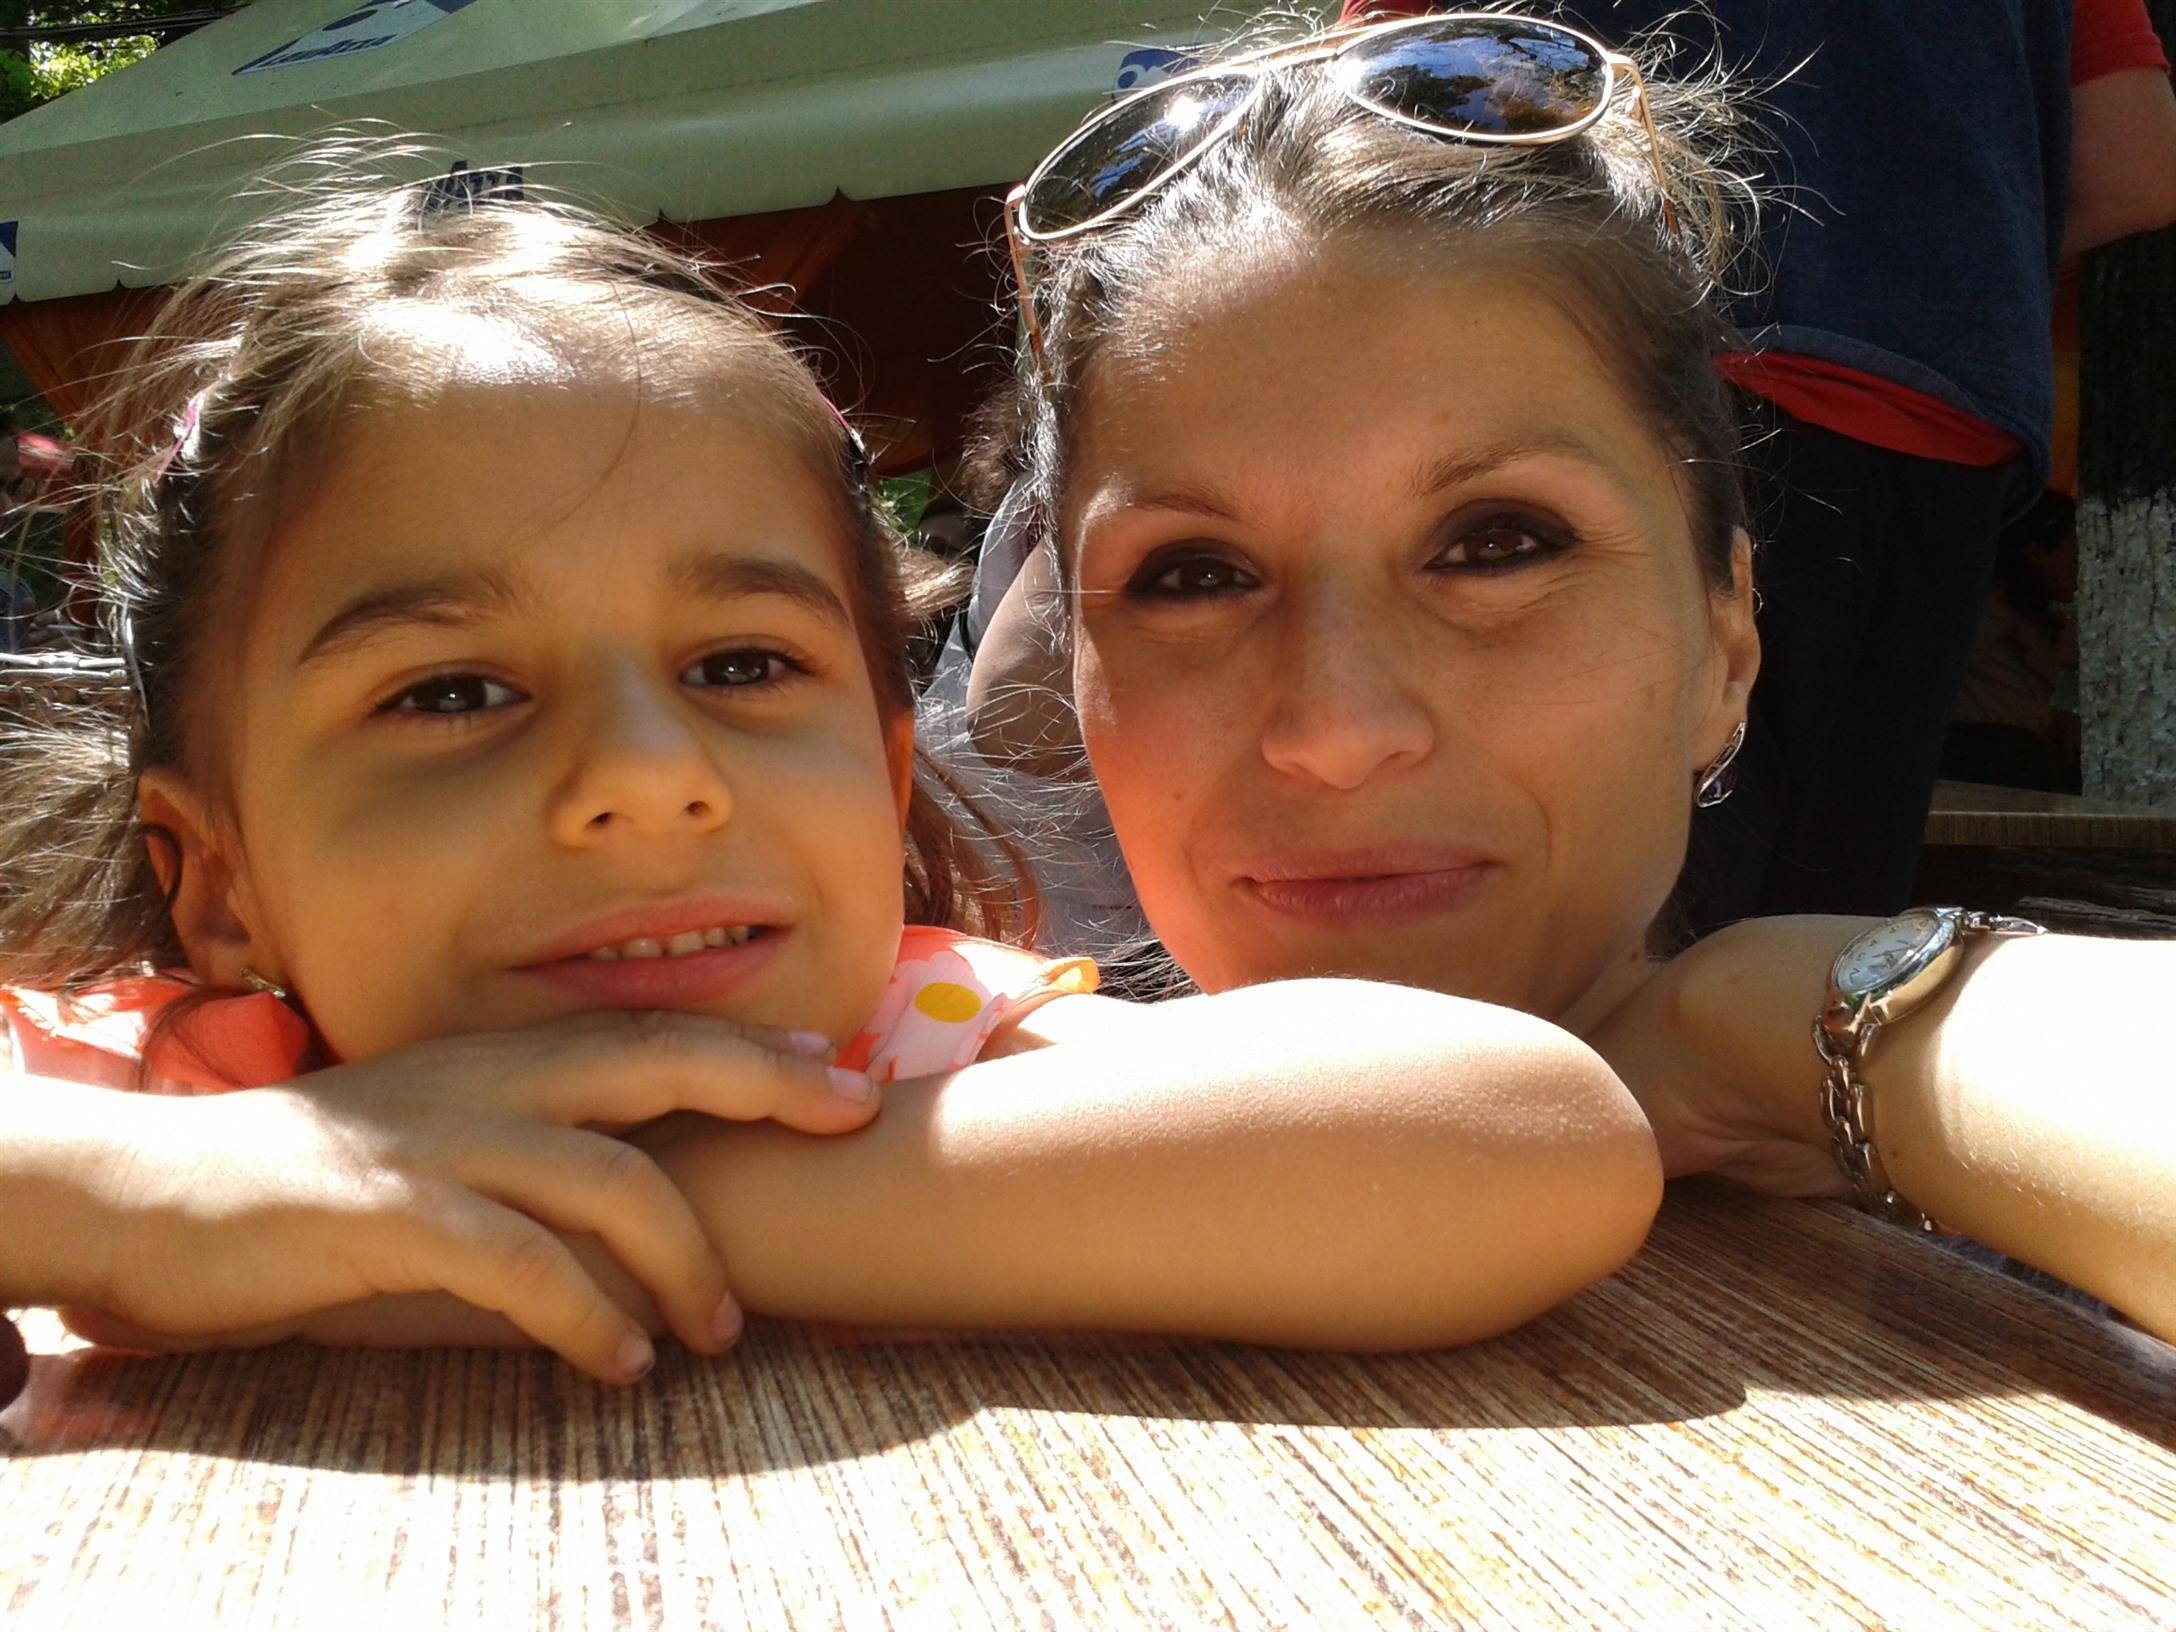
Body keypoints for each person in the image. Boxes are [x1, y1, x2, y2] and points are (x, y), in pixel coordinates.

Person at [0, 166, 1660, 1392]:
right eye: (452, 692)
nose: (647, 779)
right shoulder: (134, 1091)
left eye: (740, 665)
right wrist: (157, 1191)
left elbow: (1522, 1140)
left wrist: (602, 1208)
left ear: (883, 776)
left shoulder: (923, 1048)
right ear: (215, 877)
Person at [967, 11, 2176, 1339]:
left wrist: (1787, 1022)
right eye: (1194, 575)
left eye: (1497, 546)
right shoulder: (935, 1074)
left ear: (1725, 642)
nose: (1339, 726)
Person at [1328, 0, 2176, 932]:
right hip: (1941, 414)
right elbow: (2136, 164)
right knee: (1824, 922)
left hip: (1632, 364)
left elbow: (1366, 122)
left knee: (1593, 926)